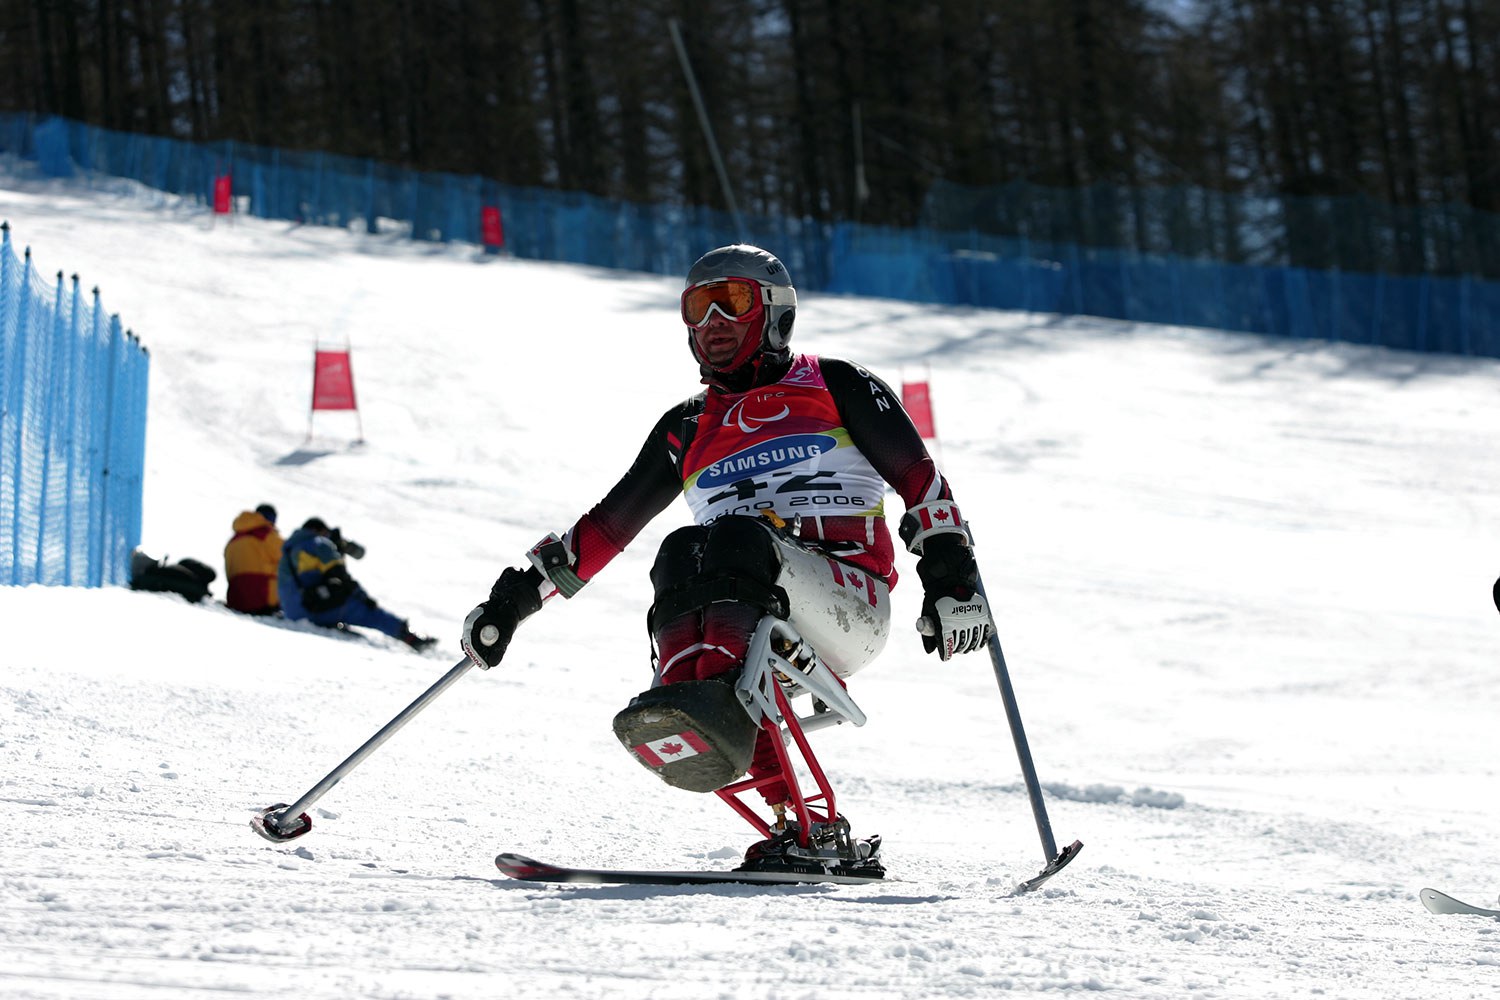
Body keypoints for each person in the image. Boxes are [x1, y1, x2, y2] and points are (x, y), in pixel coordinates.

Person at [460, 244, 994, 879]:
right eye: (696, 305)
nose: (712, 319)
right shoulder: (685, 427)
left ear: (774, 312)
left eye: (732, 300)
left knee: (735, 536)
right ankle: (791, 814)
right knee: (680, 550)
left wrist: (951, 579)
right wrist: (514, 601)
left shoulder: (836, 383)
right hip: (744, 607)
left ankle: (713, 719)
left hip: (848, 600)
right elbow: (606, 528)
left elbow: (922, 484)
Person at [278, 516, 436, 651]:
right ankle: (410, 638)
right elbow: (340, 574)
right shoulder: (318, 543)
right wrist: (364, 598)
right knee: (367, 610)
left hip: (293, 612)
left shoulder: (288, 550)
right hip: (313, 609)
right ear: (319, 530)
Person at [224, 503, 284, 615]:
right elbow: (287, 558)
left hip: (236, 598)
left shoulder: (233, 541)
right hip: (262, 599)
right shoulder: (267, 535)